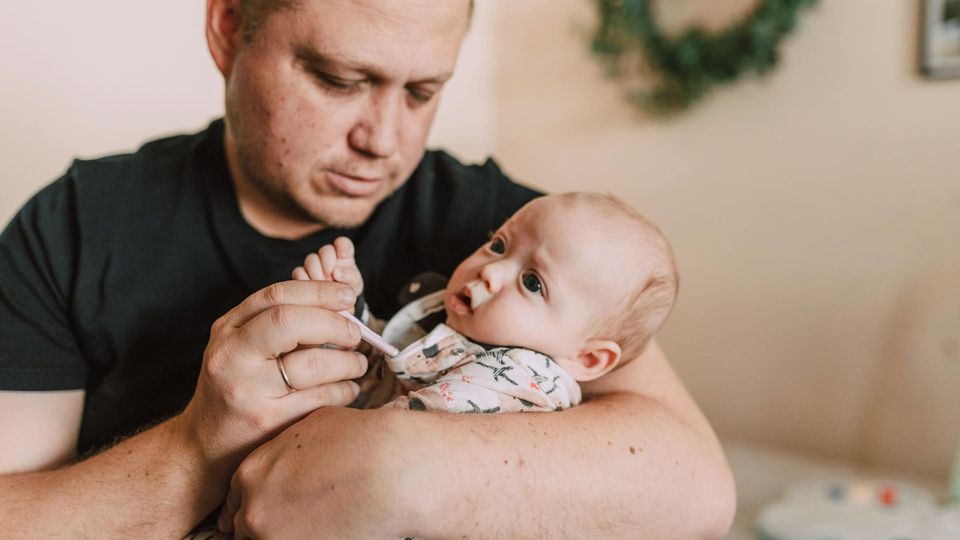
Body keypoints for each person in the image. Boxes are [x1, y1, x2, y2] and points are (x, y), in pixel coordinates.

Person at [0, 0, 735, 538]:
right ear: (228, 28)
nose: (383, 140)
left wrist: (405, 467)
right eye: (339, 79)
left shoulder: (512, 229)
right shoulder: (77, 225)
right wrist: (195, 447)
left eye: (422, 92)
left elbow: (696, 485)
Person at [293, 192, 678, 416]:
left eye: (532, 282)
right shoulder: (450, 327)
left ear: (588, 359)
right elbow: (388, 371)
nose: (491, 271)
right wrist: (348, 311)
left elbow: (399, 433)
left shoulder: (523, 381)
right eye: (499, 245)